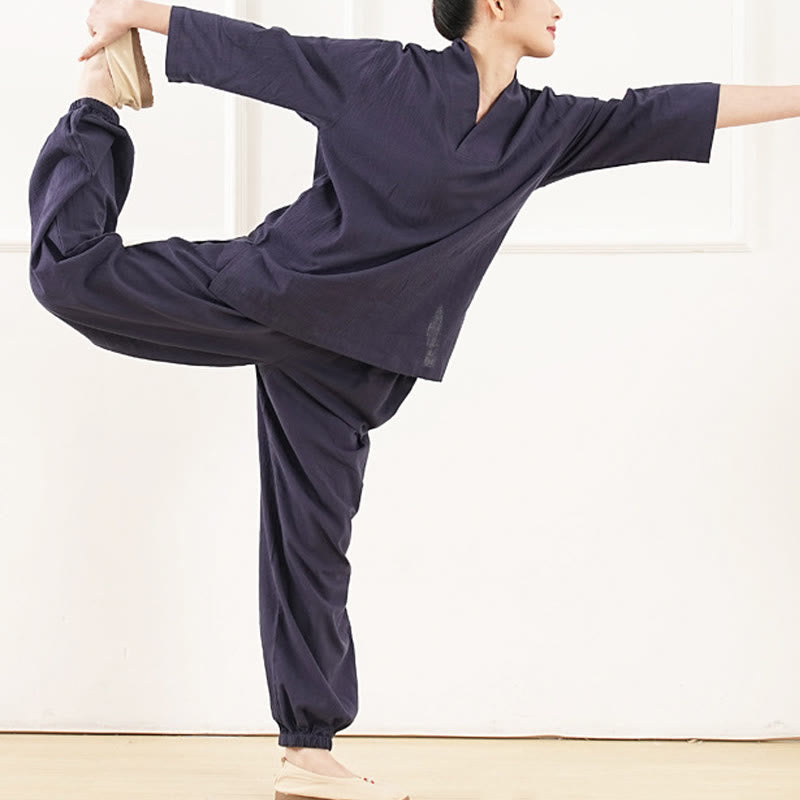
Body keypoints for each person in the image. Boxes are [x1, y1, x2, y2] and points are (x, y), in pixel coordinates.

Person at [36, 0, 783, 796]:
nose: (562, 7)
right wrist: (135, 14)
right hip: (275, 293)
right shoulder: (381, 76)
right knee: (68, 273)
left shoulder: (545, 130)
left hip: (354, 363)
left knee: (311, 548)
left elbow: (667, 111)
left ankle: (308, 755)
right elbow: (260, 51)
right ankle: (94, 107)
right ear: (494, 5)